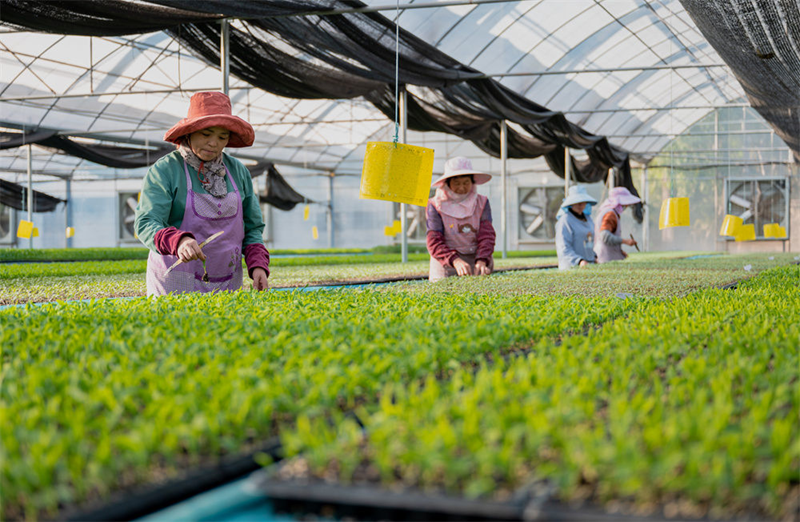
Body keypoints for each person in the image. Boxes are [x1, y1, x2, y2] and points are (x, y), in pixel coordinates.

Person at [135, 91, 270, 295]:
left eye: (222, 137)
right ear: (189, 133)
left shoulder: (238, 171)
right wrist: (179, 241)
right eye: (206, 134)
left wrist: (258, 265)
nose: (214, 143)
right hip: (175, 279)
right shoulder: (166, 170)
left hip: (228, 281)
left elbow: (253, 228)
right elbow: (146, 223)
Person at [426, 156, 496, 282]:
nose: (462, 188)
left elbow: (487, 234)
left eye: (466, 183)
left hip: (476, 261)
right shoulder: (435, 205)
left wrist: (482, 260)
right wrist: (455, 261)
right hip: (446, 262)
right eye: (456, 183)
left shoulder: (482, 202)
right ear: (447, 183)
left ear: (472, 182)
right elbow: (434, 240)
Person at [593, 186, 641, 264]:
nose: (627, 205)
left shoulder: (607, 211)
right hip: (606, 258)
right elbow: (605, 236)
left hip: (604, 255)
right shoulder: (610, 214)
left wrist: (619, 252)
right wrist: (625, 241)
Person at [555, 185, 597, 270]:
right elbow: (563, 247)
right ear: (571, 203)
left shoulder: (588, 218)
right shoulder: (565, 220)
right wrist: (579, 261)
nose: (580, 205)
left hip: (588, 264)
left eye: (583, 201)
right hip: (572, 266)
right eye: (577, 202)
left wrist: (594, 256)